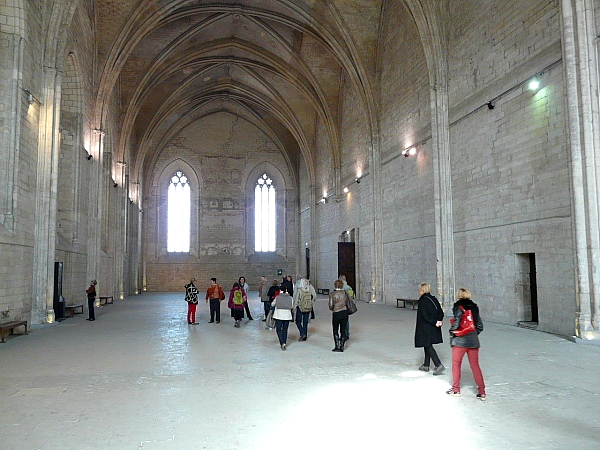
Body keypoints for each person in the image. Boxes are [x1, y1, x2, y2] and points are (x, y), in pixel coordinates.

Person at [446, 288, 486, 400]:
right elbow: (480, 326)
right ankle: (482, 392)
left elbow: (457, 323)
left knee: (456, 364)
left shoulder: (458, 306)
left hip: (460, 341)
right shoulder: (474, 308)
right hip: (473, 341)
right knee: (475, 366)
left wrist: (452, 333)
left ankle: (456, 389)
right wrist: (472, 334)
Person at [414, 282, 445, 374]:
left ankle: (438, 364)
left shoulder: (423, 300)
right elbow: (441, 312)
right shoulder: (433, 299)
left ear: (422, 290)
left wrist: (435, 322)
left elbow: (424, 316)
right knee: (427, 343)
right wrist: (439, 321)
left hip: (426, 327)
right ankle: (426, 365)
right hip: (433, 326)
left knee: (428, 345)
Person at [328, 279, 349, 352]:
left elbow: (330, 306)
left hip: (336, 312)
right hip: (345, 312)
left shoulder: (332, 294)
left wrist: (333, 308)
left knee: (335, 329)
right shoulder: (345, 293)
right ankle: (342, 346)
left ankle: (337, 346)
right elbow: (347, 302)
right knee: (343, 330)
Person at [272, 285, 294, 350]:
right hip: (287, 316)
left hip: (279, 315)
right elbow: (292, 306)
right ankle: (284, 341)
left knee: (278, 329)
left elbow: (272, 304)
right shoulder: (290, 298)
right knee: (285, 329)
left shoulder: (277, 297)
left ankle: (282, 342)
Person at [339, 275, 354, 339]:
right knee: (346, 320)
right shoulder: (349, 287)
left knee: (341, 321)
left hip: (341, 306)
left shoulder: (341, 288)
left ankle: (343, 334)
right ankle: (347, 333)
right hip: (347, 306)